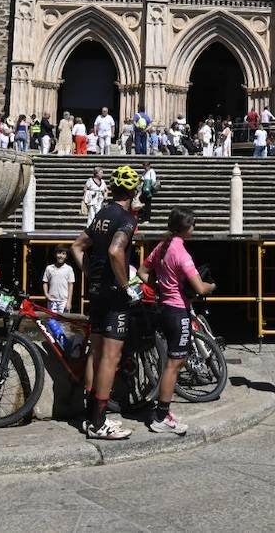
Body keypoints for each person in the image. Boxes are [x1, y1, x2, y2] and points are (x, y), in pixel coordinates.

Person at [71, 165, 142, 440]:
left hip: (96, 291)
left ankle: (91, 417)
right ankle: (100, 423)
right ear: (133, 191)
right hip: (114, 294)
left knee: (96, 354)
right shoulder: (126, 219)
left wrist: (89, 271)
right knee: (110, 359)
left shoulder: (101, 214)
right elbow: (116, 251)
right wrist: (128, 286)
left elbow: (77, 246)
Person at [139, 207, 216, 435]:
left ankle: (163, 410)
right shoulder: (181, 253)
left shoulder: (162, 246)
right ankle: (161, 416)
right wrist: (212, 286)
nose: (194, 228)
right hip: (177, 310)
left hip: (163, 306)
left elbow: (143, 271)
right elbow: (200, 287)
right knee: (174, 364)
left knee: (172, 363)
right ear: (185, 228)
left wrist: (159, 286)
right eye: (193, 224)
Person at [42, 246, 75, 313]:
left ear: (66, 256)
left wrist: (69, 301)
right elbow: (45, 282)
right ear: (55, 254)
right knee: (52, 321)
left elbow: (70, 285)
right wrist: (46, 294)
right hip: (52, 300)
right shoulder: (49, 268)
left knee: (63, 322)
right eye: (59, 253)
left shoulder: (69, 269)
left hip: (64, 301)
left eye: (63, 254)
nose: (61, 256)